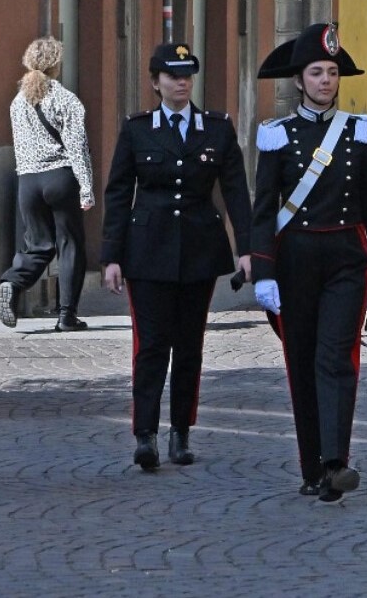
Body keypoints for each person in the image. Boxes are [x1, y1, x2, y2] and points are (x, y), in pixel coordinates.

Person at [250, 22, 367, 505]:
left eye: (332, 72)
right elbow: (263, 210)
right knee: (301, 362)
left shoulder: (358, 133)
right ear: (299, 80)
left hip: (346, 263)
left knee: (335, 359)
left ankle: (336, 462)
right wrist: (264, 271)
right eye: (316, 72)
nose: (325, 81)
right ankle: (311, 464)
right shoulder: (277, 136)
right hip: (294, 263)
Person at [99, 43, 252, 472]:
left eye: (187, 76)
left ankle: (181, 431)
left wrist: (248, 250)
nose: (181, 82)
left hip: (200, 251)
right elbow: (117, 194)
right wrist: (111, 257)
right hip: (146, 252)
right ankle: (145, 433)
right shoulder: (137, 129)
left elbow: (237, 192)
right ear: (155, 83)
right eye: (172, 76)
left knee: (189, 347)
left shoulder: (216, 128)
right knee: (151, 346)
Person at [0, 36, 94, 332]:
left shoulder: (17, 103)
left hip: (28, 182)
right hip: (59, 178)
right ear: (57, 65)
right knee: (70, 244)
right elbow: (77, 147)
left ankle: (13, 283)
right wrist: (86, 187)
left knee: (39, 244)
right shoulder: (66, 100)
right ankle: (66, 316)